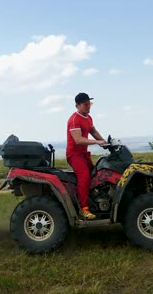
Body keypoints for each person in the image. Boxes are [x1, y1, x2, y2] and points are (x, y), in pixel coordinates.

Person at [66, 92, 106, 220]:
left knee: (96, 173)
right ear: (77, 105)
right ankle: (83, 209)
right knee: (84, 177)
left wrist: (105, 142)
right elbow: (78, 140)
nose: (88, 106)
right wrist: (97, 142)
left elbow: (93, 131)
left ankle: (93, 199)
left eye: (89, 104)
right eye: (85, 104)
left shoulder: (88, 118)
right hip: (74, 155)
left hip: (84, 154)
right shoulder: (74, 120)